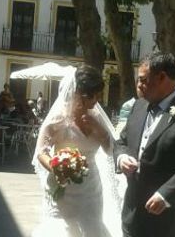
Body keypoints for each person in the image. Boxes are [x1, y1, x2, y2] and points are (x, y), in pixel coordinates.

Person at [115, 52, 175, 237]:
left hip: (171, 217)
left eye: (143, 80)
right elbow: (122, 141)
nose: (138, 86)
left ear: (162, 77)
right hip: (133, 214)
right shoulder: (138, 106)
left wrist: (166, 195)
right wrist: (121, 157)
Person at [32, 65, 122, 236]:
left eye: (98, 95)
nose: (96, 100)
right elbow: (41, 152)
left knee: (91, 227)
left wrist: (99, 130)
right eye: (93, 95)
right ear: (79, 93)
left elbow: (111, 149)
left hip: (90, 188)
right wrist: (55, 167)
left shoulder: (96, 118)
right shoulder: (57, 119)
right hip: (62, 186)